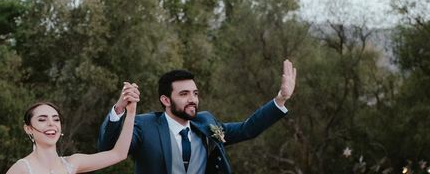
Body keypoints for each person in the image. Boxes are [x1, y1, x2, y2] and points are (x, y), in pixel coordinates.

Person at [98, 59, 297, 174]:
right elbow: (108, 150)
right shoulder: (145, 125)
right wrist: (119, 109)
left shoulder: (207, 122)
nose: (192, 99)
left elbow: (247, 129)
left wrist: (280, 100)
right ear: (166, 100)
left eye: (195, 93)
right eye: (184, 94)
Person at [6, 92, 138, 174]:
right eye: (42, 119)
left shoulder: (73, 163)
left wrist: (130, 112)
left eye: (56, 119)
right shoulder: (21, 169)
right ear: (28, 128)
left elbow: (119, 154)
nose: (51, 123)